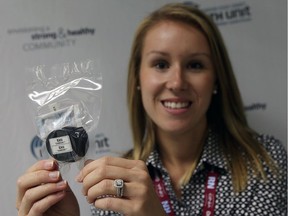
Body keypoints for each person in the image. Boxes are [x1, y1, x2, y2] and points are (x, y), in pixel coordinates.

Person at [16, 3, 287, 216]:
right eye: (160, 64)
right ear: (137, 80)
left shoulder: (263, 162)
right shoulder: (110, 182)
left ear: (216, 79)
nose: (177, 82)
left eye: (195, 65)